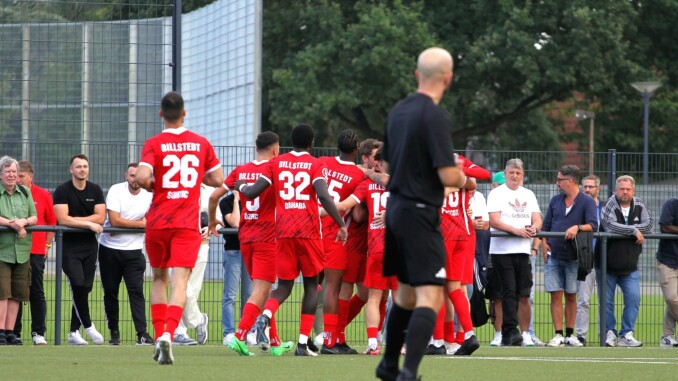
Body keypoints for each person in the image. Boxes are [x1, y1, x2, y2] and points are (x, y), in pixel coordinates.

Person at [376, 47, 466, 381]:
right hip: (420, 211)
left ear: (417, 75)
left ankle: (387, 365)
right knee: (431, 294)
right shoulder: (435, 115)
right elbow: (446, 175)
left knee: (406, 293)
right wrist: (461, 176)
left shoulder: (397, 111)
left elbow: (385, 164)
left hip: (396, 209)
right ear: (448, 78)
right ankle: (408, 373)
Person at [235, 124, 348, 357]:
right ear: (312, 143)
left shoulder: (276, 163)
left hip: (283, 232)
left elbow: (253, 191)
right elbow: (324, 195)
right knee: (310, 286)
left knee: (283, 286)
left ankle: (264, 316)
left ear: (290, 141)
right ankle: (302, 344)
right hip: (308, 232)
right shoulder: (316, 164)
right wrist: (340, 223)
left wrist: (240, 185)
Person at [136, 91, 224, 365]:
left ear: (161, 115)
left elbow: (140, 177)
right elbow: (218, 178)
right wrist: (199, 176)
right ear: (184, 113)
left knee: (159, 279)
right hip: (186, 224)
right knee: (180, 281)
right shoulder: (200, 143)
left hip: (159, 221)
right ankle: (168, 335)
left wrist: (156, 185)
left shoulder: (154, 143)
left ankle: (160, 332)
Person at [209, 131, 292, 356]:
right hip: (267, 238)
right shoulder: (275, 169)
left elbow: (214, 196)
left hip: (245, 237)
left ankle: (275, 342)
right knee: (261, 291)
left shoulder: (241, 170)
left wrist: (211, 221)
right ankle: (239, 335)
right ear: (276, 150)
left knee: (262, 291)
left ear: (256, 148)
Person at [317, 129, 365, 355]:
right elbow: (353, 212)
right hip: (334, 233)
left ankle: (327, 339)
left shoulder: (323, 162)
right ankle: (328, 341)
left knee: (312, 286)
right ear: (357, 150)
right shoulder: (358, 175)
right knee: (333, 288)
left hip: (311, 231)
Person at [333, 138, 383, 351]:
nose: (379, 161)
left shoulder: (379, 177)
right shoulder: (361, 177)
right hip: (354, 240)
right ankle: (336, 337)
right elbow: (358, 215)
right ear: (365, 158)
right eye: (375, 157)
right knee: (345, 289)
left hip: (372, 244)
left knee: (367, 294)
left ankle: (338, 332)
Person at [487, 158, 542, 347]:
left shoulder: (528, 194)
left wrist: (534, 228)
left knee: (523, 292)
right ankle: (509, 331)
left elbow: (537, 218)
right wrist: (516, 230)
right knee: (508, 291)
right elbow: (494, 220)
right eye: (511, 173)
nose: (515, 176)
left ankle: (521, 333)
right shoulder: (496, 193)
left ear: (523, 175)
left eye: (518, 173)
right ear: (506, 173)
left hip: (523, 249)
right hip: (502, 250)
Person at [541, 165, 598, 347]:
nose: (557, 183)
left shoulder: (587, 201)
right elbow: (546, 225)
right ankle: (558, 334)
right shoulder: (555, 200)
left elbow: (593, 225)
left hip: (575, 257)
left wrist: (577, 227)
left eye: (560, 180)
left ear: (571, 181)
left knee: (571, 295)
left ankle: (570, 334)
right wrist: (543, 242)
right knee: (555, 295)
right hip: (554, 255)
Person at [98, 162, 154, 346]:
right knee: (111, 293)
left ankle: (142, 334)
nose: (135, 179)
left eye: (138, 176)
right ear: (125, 176)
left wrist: (124, 223)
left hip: (134, 252)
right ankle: (114, 333)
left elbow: (152, 220)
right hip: (109, 250)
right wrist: (140, 224)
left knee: (136, 293)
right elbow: (114, 221)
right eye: (131, 176)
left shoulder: (149, 194)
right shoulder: (116, 190)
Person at [53, 154, 106, 346]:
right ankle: (89, 325)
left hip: (89, 246)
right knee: (77, 283)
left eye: (85, 166)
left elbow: (100, 217)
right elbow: (63, 219)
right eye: (78, 166)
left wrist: (82, 223)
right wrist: (89, 224)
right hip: (69, 246)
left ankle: (74, 332)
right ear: (71, 169)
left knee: (85, 288)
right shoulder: (62, 190)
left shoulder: (96, 189)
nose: (82, 169)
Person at [597, 175, 652, 347]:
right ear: (615, 190)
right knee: (606, 302)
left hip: (630, 266)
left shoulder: (640, 205)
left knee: (634, 299)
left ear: (633, 190)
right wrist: (634, 231)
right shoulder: (608, 205)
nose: (625, 192)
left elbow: (649, 225)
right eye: (621, 189)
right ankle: (609, 333)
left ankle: (626, 334)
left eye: (628, 189)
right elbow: (609, 225)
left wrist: (633, 229)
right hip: (606, 265)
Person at [12, 160, 56, 345]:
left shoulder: (43, 195)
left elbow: (52, 223)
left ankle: (38, 332)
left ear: (31, 176)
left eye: (21, 176)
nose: (18, 180)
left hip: (36, 251)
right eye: (16, 176)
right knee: (15, 292)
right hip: (15, 250)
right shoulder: (11, 194)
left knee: (36, 291)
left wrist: (46, 247)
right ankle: (14, 332)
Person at [173, 184, 218, 346]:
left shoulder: (210, 191)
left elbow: (217, 219)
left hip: (202, 245)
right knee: (182, 285)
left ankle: (181, 332)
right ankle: (198, 319)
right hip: (181, 244)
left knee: (194, 288)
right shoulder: (179, 188)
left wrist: (211, 227)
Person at [0, 156, 37, 345]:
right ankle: (0, 331)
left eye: (14, 171)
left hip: (22, 251)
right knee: (2, 292)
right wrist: (12, 224)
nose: (12, 175)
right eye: (7, 171)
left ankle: (10, 331)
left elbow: (34, 217)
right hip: (2, 251)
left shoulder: (25, 192)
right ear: (1, 175)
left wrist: (23, 222)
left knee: (17, 293)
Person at [218, 191, 252, 346]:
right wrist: (237, 200)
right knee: (230, 296)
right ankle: (229, 332)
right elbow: (236, 223)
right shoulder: (226, 202)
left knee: (250, 294)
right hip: (233, 252)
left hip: (250, 251)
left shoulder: (253, 200)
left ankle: (249, 331)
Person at [575, 174, 601, 346]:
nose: (587, 189)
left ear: (597, 189)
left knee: (605, 301)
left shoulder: (606, 207)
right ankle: (581, 335)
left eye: (591, 186)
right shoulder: (579, 206)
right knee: (583, 299)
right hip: (586, 258)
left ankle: (605, 334)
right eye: (585, 186)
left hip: (605, 259)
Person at [656, 198, 678, 348]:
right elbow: (665, 227)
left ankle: (667, 336)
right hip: (668, 260)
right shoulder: (671, 204)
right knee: (671, 298)